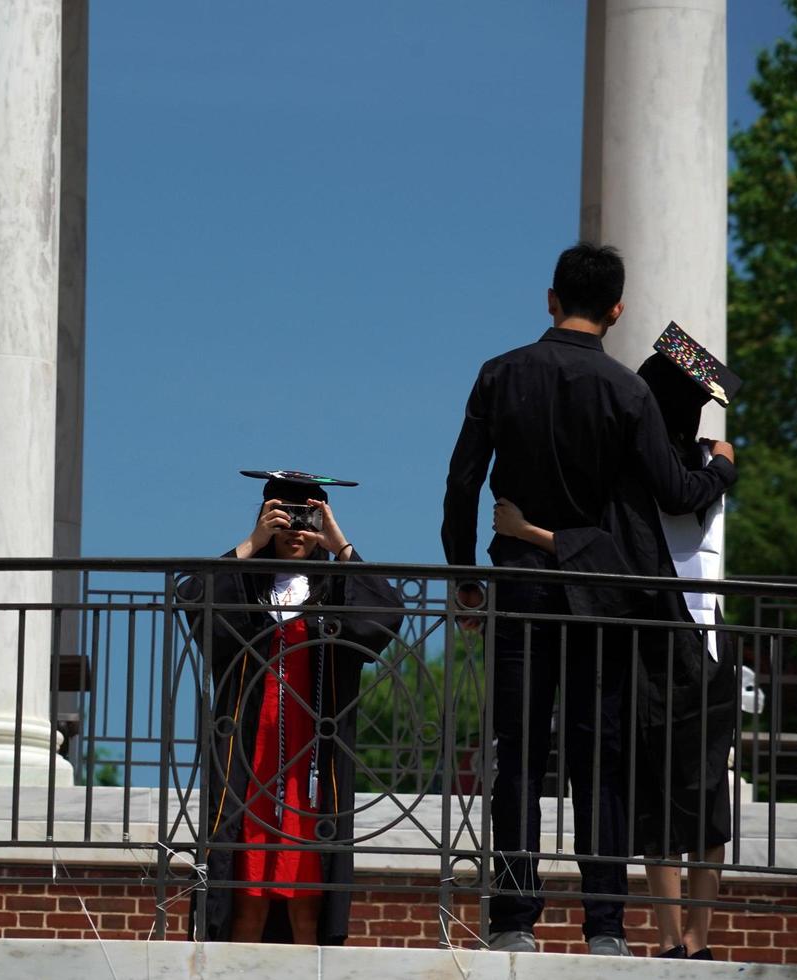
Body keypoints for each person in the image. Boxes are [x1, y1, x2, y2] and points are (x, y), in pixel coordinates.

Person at [440, 243, 738, 956]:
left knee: (517, 757)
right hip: (598, 604)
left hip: (518, 588)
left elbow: (461, 486)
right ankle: (604, 926)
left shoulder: (499, 374)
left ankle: (514, 919)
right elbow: (674, 491)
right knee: (596, 761)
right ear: (617, 310)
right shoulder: (628, 394)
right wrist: (722, 467)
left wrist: (466, 579)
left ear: (550, 298)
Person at [183, 470, 403, 945]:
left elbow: (385, 615)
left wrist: (340, 541)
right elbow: (193, 598)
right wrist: (251, 541)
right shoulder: (249, 588)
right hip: (250, 757)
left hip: (312, 762)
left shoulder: (331, 591)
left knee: (307, 903)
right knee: (247, 901)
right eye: (286, 519)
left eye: (308, 519)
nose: (296, 531)